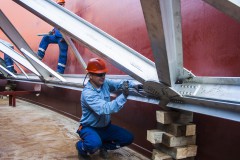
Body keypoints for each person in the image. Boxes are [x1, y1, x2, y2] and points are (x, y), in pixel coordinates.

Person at [75, 58, 143, 159]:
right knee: (93, 144)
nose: (102, 77)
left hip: (105, 127)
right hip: (89, 127)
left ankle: (102, 146)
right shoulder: (88, 93)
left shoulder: (105, 83)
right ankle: (81, 148)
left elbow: (119, 84)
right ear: (90, 75)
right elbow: (106, 108)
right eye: (99, 74)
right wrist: (124, 95)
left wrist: (132, 85)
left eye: (104, 74)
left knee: (128, 138)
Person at [36, 0, 68, 74]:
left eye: (61, 4)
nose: (60, 6)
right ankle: (39, 55)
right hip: (57, 36)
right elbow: (56, 26)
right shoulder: (57, 15)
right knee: (46, 38)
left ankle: (60, 71)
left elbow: (69, 27)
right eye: (59, 4)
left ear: (64, 5)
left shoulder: (66, 15)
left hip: (63, 38)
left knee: (62, 54)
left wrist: (65, 37)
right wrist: (52, 31)